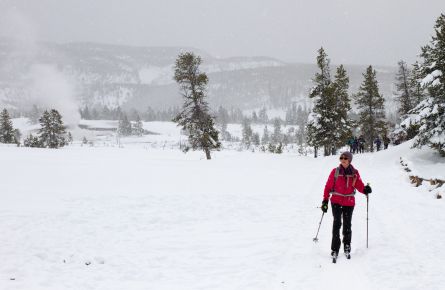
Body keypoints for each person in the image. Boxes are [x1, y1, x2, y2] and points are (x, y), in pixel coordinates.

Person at [321, 151, 372, 261]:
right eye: (341, 157)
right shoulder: (335, 172)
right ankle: (335, 249)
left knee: (347, 225)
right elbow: (328, 186)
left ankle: (347, 246)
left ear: (349, 160)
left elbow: (359, 185)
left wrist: (365, 190)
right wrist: (325, 200)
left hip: (349, 202)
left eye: (345, 158)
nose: (343, 159)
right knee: (337, 223)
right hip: (336, 201)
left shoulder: (354, 173)